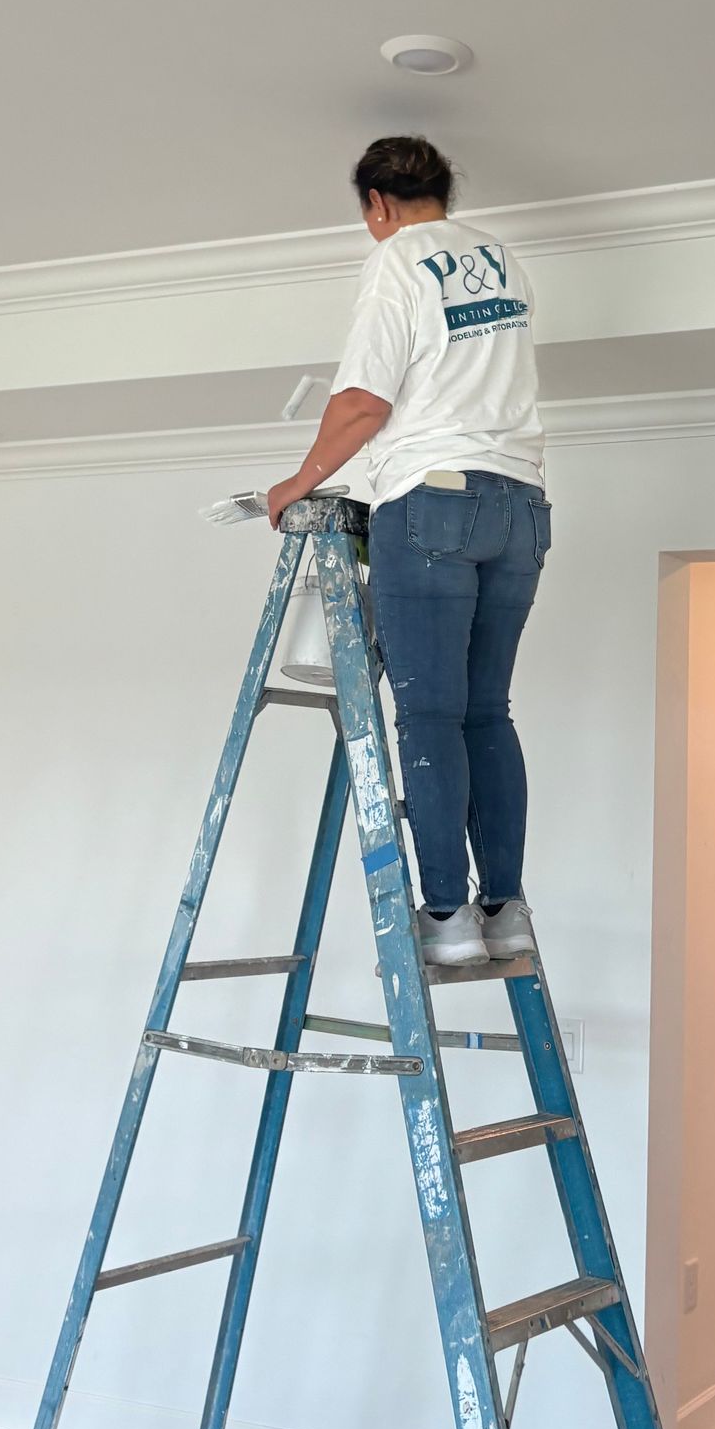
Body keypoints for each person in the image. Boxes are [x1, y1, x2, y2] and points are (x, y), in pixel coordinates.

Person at [266, 136, 550, 967]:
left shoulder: (396, 261)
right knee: (485, 712)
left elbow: (362, 402)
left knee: (428, 715)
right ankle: (506, 911)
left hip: (431, 503)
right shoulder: (502, 261)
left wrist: (299, 480)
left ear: (377, 206)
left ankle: (447, 918)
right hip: (521, 506)